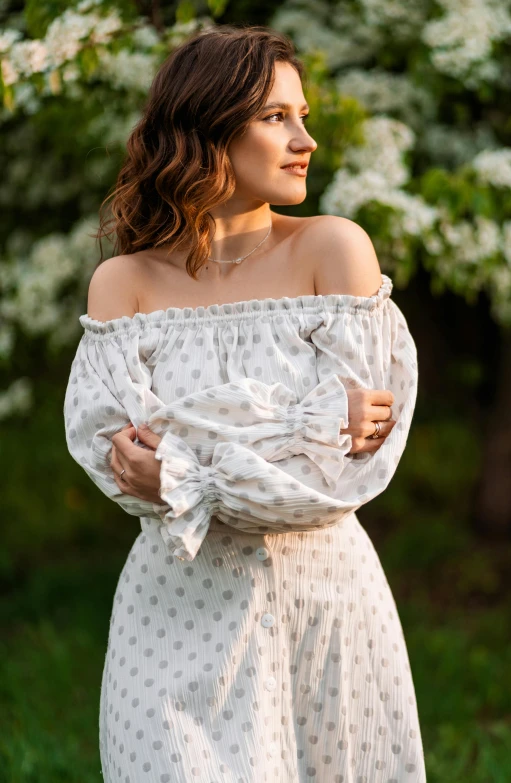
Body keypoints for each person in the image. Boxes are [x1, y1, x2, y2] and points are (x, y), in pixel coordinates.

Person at [64, 24, 426, 783]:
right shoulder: (122, 285)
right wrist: (302, 421)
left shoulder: (336, 251)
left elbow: (336, 479)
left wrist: (185, 465)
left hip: (323, 604)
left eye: (303, 115)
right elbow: (120, 468)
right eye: (275, 117)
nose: (306, 139)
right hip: (175, 609)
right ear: (207, 128)